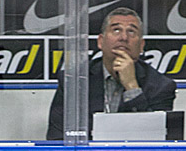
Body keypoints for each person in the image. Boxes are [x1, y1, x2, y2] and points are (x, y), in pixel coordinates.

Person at [47, 7, 176, 140]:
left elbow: (156, 139)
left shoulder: (161, 86)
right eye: (116, 30)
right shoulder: (74, 80)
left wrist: (132, 86)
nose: (124, 37)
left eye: (131, 31)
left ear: (141, 45)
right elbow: (57, 136)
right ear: (100, 41)